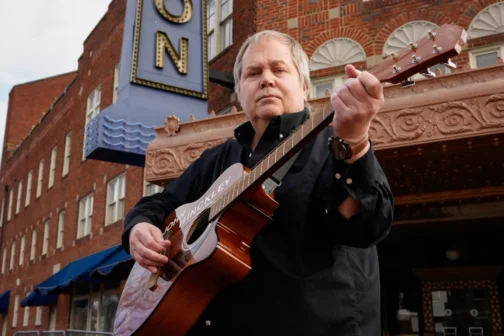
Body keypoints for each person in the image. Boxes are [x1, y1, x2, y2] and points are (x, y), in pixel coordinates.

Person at [122, 30, 393, 335]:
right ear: (239, 92)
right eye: (253, 73)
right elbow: (161, 203)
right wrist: (139, 227)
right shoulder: (218, 158)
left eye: (279, 69)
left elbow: (367, 226)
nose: (266, 79)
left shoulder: (338, 146)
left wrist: (355, 140)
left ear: (304, 87)